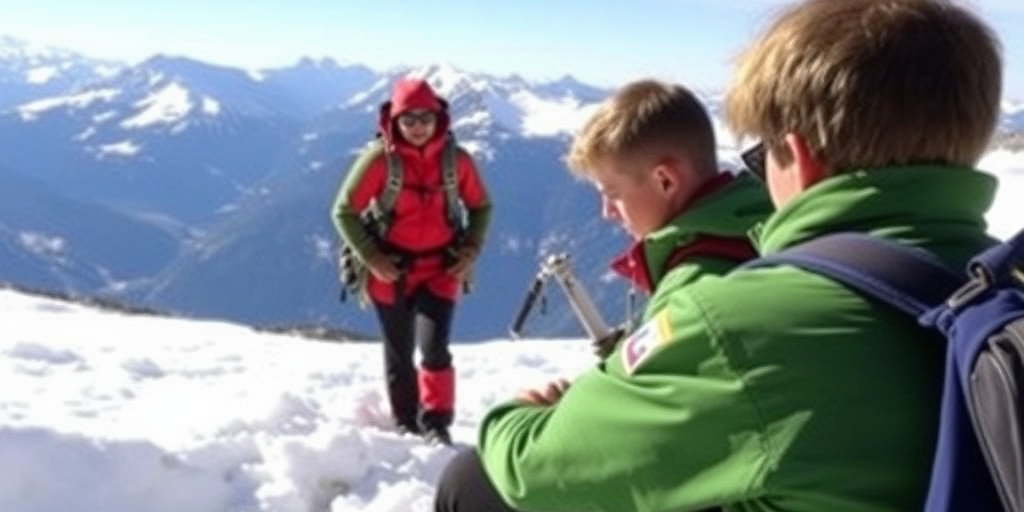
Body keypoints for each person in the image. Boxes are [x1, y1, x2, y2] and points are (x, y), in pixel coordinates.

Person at [434, 0, 1004, 510]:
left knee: (472, 480)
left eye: (763, 156)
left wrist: (515, 420)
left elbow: (540, 470)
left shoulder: (738, 324)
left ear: (798, 158)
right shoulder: (1004, 289)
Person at [435, 78, 773, 509]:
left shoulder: (700, 288)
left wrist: (528, 421)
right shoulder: (753, 231)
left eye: (612, 193)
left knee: (469, 479)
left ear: (665, 180)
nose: (606, 211)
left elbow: (649, 448)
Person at [331, 77, 492, 445]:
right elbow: (343, 211)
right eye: (409, 120)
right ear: (395, 121)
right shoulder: (379, 161)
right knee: (399, 352)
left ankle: (436, 424)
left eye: (425, 119)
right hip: (391, 272)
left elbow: (482, 206)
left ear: (439, 119)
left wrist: (471, 250)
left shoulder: (458, 162)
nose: (417, 127)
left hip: (442, 269)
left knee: (435, 348)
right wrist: (371, 257)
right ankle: (406, 423)